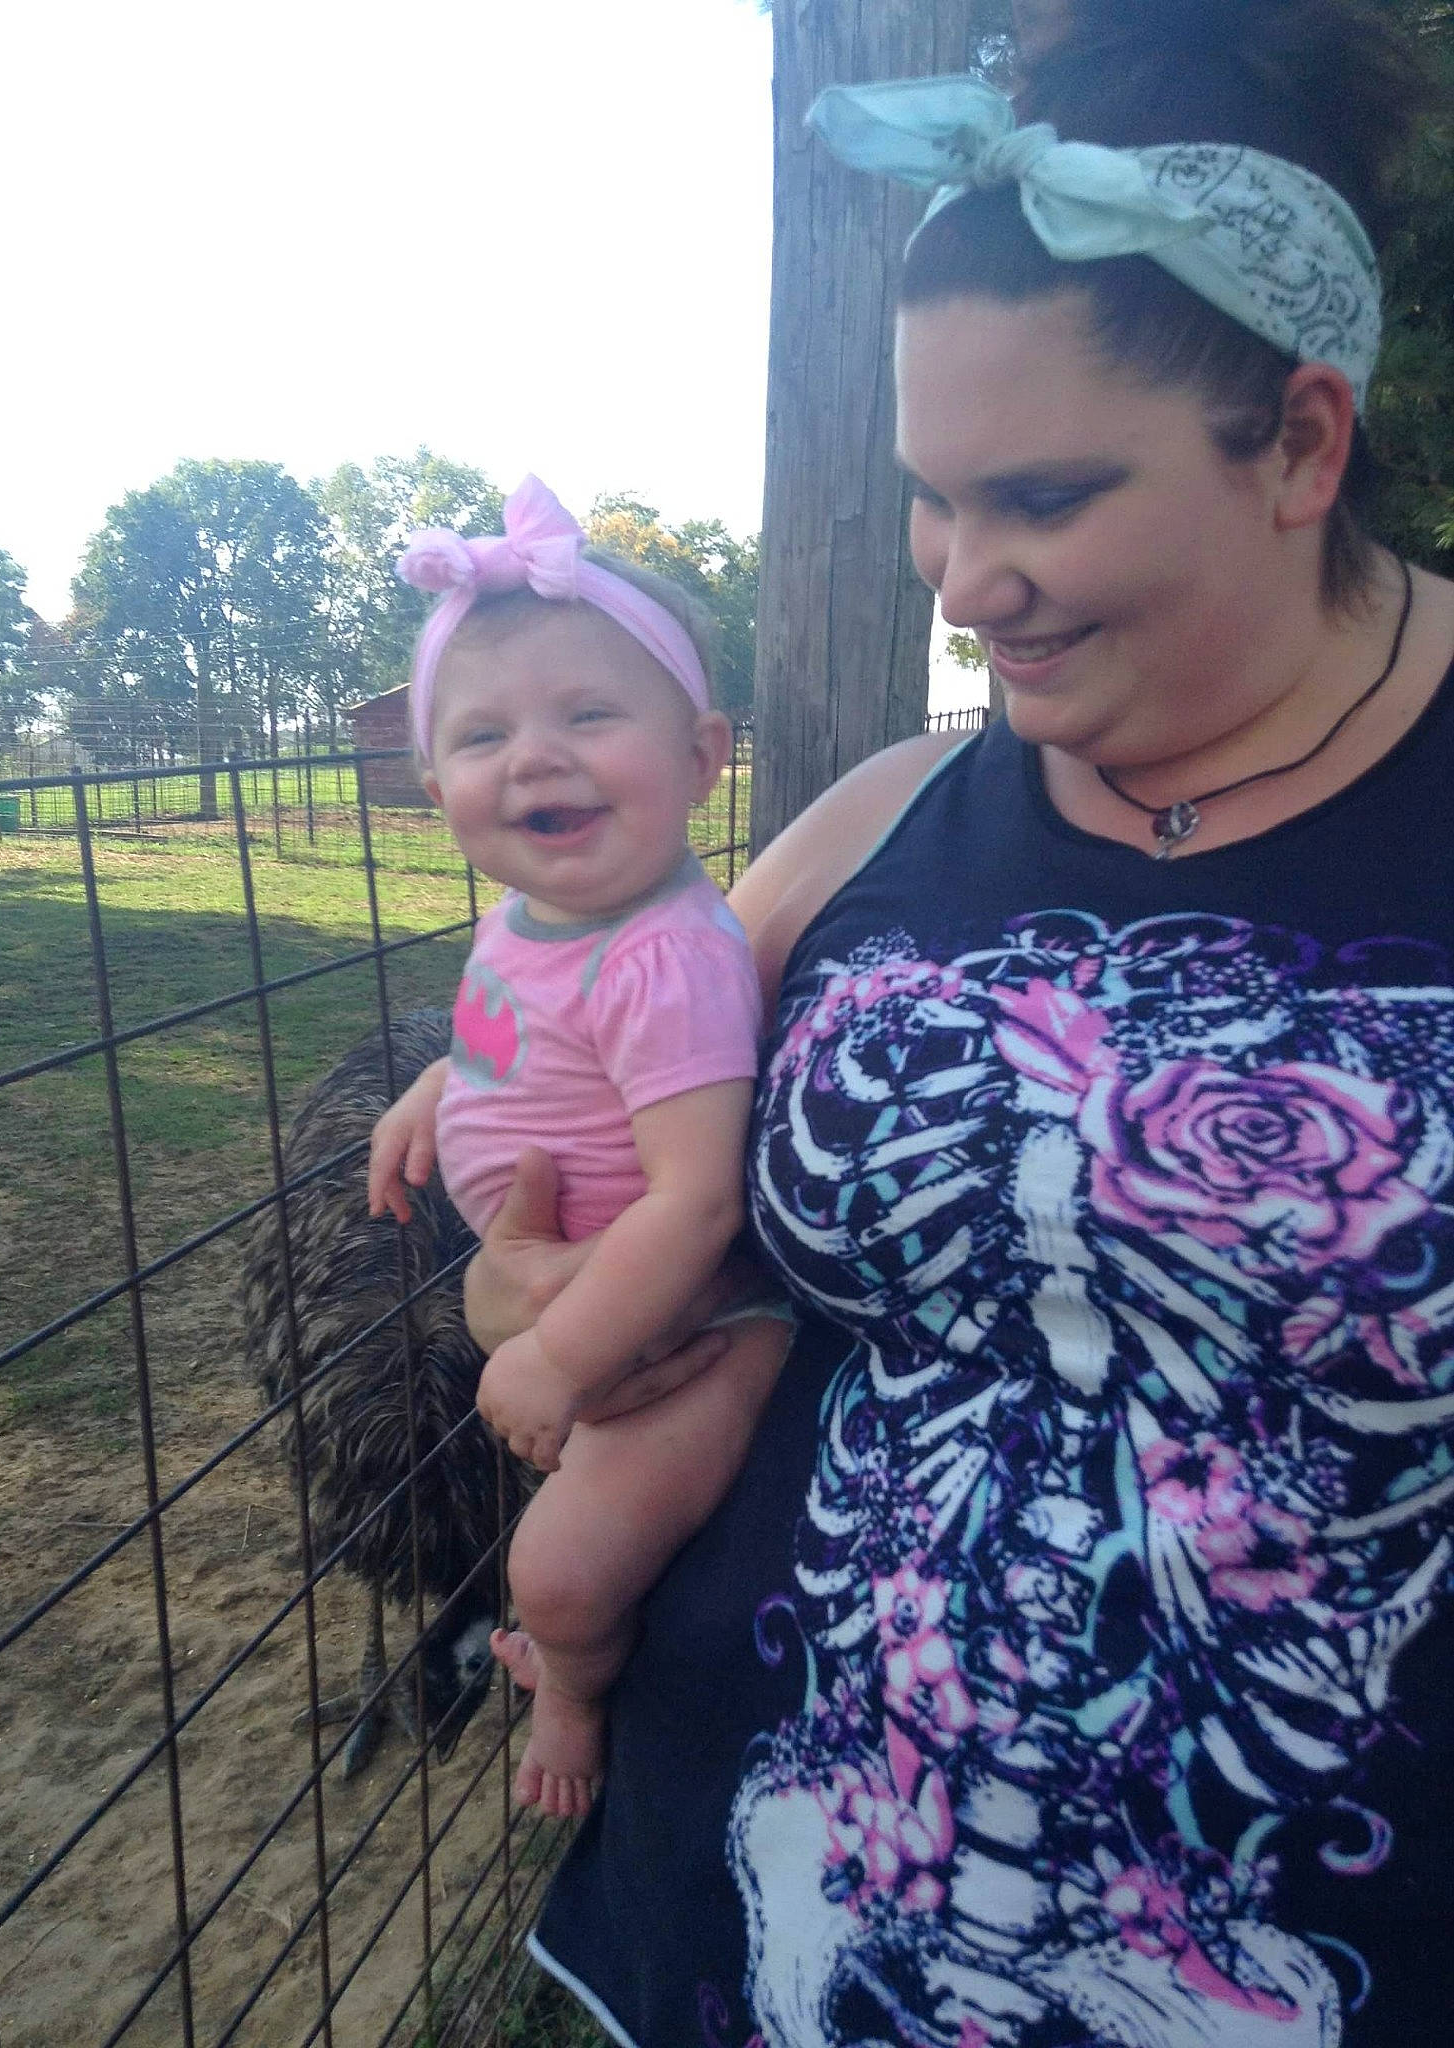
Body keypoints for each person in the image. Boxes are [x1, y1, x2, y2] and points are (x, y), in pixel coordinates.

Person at [457, 4, 1454, 2043]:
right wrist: (543, 1277)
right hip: (748, 1916)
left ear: (1303, 442)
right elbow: (570, 1161)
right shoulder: (878, 818)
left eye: (1046, 498)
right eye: (931, 498)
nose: (967, 578)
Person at [367, 476, 791, 1818]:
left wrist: (556, 1350)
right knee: (549, 1547)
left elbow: (694, 1200)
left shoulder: (665, 955)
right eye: (483, 734)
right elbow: (517, 1045)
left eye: (587, 715)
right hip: (596, 1305)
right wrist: (440, 1084)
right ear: (437, 785)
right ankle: (560, 1641)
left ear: (701, 754)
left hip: (700, 1334)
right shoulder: (529, 914)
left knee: (555, 1575)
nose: (532, 756)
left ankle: (569, 1684)